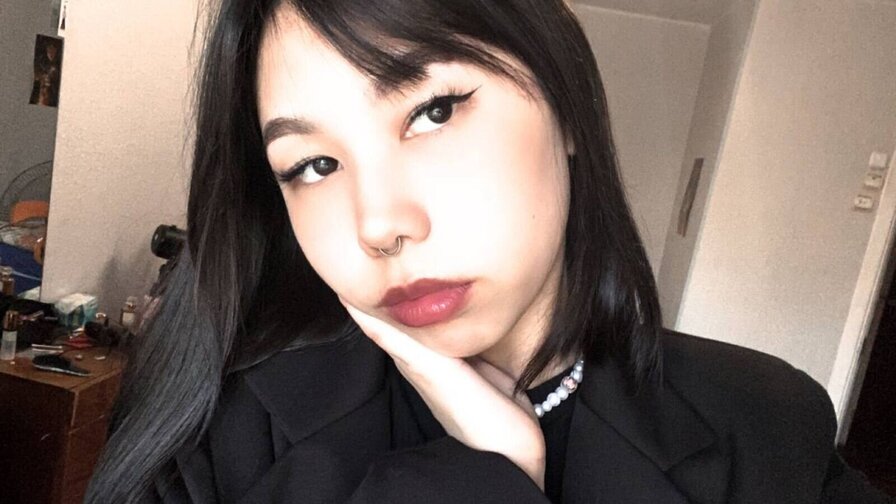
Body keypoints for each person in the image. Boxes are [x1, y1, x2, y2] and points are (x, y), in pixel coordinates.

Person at [87, 0, 894, 502]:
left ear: (566, 106)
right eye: (314, 166)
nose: (379, 223)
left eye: (434, 111)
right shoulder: (218, 435)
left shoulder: (764, 425)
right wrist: (484, 476)